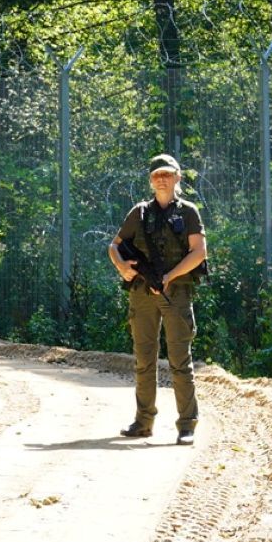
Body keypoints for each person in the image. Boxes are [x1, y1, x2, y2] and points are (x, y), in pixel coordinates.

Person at [108, 153, 207, 445]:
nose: (161, 179)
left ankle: (186, 424)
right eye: (156, 175)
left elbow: (199, 252)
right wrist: (122, 267)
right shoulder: (138, 213)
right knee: (144, 360)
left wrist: (169, 276)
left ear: (178, 178)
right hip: (142, 295)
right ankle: (143, 421)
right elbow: (114, 246)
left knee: (180, 361)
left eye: (167, 174)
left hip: (176, 293)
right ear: (151, 181)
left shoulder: (188, 212)